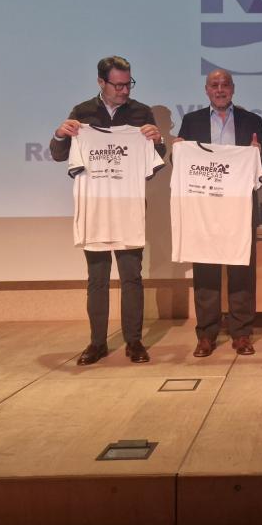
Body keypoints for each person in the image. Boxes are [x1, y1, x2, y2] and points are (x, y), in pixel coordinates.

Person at [50, 56, 166, 366]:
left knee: (132, 278)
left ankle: (134, 341)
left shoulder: (141, 113)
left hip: (128, 208)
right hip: (96, 210)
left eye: (129, 84)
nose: (124, 90)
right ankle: (96, 343)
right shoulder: (83, 113)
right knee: (97, 279)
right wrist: (61, 134)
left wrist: (157, 141)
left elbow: (154, 162)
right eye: (118, 85)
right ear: (101, 83)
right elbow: (60, 155)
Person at [177, 69, 262, 357]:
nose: (220, 89)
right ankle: (206, 335)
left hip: (239, 206)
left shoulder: (251, 120)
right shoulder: (191, 121)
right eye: (214, 85)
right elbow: (179, 160)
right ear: (206, 90)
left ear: (233, 89)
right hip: (204, 208)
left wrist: (258, 152)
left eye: (225, 85)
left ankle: (241, 333)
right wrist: (177, 151)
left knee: (241, 271)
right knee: (205, 269)